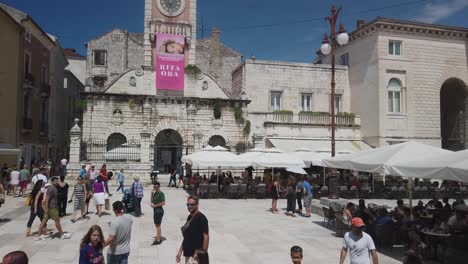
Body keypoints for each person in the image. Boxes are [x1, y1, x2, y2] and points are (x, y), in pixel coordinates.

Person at [176, 196, 209, 264]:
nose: (190, 206)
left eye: (192, 204)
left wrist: (202, 254)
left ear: (197, 205)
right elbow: (187, 236)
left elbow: (206, 236)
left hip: (195, 256)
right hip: (188, 254)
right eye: (188, 204)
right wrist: (180, 251)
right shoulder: (190, 217)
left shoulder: (201, 218)